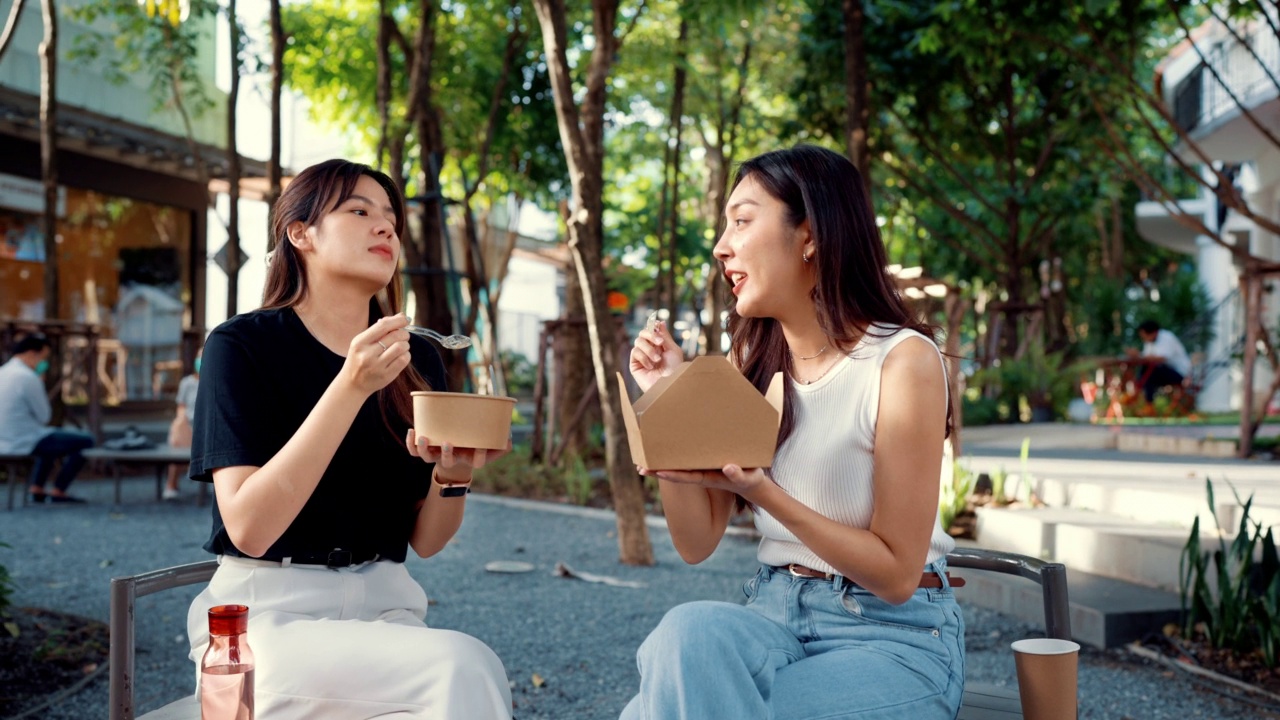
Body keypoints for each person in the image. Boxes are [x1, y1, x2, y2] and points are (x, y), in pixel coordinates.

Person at [623, 145, 962, 719]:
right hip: (773, 617)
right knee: (686, 632)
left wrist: (763, 491)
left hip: (892, 640)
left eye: (742, 220)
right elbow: (695, 542)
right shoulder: (752, 361)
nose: (720, 246)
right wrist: (667, 401)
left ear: (810, 236)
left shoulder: (902, 363)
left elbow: (898, 575)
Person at [185, 159, 512, 719]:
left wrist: (453, 475)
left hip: (388, 613)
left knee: (458, 671)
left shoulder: (418, 359)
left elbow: (426, 541)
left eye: (390, 217)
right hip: (267, 619)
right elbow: (250, 529)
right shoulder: (242, 346)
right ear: (300, 233)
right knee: (463, 666)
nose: (385, 227)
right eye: (359, 212)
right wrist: (350, 386)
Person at [0, 333, 95, 503]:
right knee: (86, 440)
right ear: (31, 354)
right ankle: (59, 490)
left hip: (4, 440)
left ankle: (37, 487)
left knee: (49, 437)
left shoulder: (3, 372)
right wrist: (40, 382)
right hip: (23, 440)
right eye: (43, 358)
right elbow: (45, 416)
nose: (43, 363)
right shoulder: (28, 378)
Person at [163, 347, 200, 500]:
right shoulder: (187, 383)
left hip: (206, 427)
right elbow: (181, 408)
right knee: (177, 434)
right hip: (188, 425)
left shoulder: (215, 381)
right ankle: (171, 485)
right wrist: (180, 424)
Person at [1127, 319, 1192, 402]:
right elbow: (1147, 358)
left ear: (1153, 333)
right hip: (1163, 373)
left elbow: (1161, 358)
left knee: (1151, 369)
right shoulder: (1149, 342)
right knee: (1148, 372)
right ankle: (1147, 403)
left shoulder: (1167, 337)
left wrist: (1139, 355)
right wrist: (1137, 355)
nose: (1144, 339)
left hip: (1180, 374)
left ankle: (1136, 393)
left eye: (1144, 336)